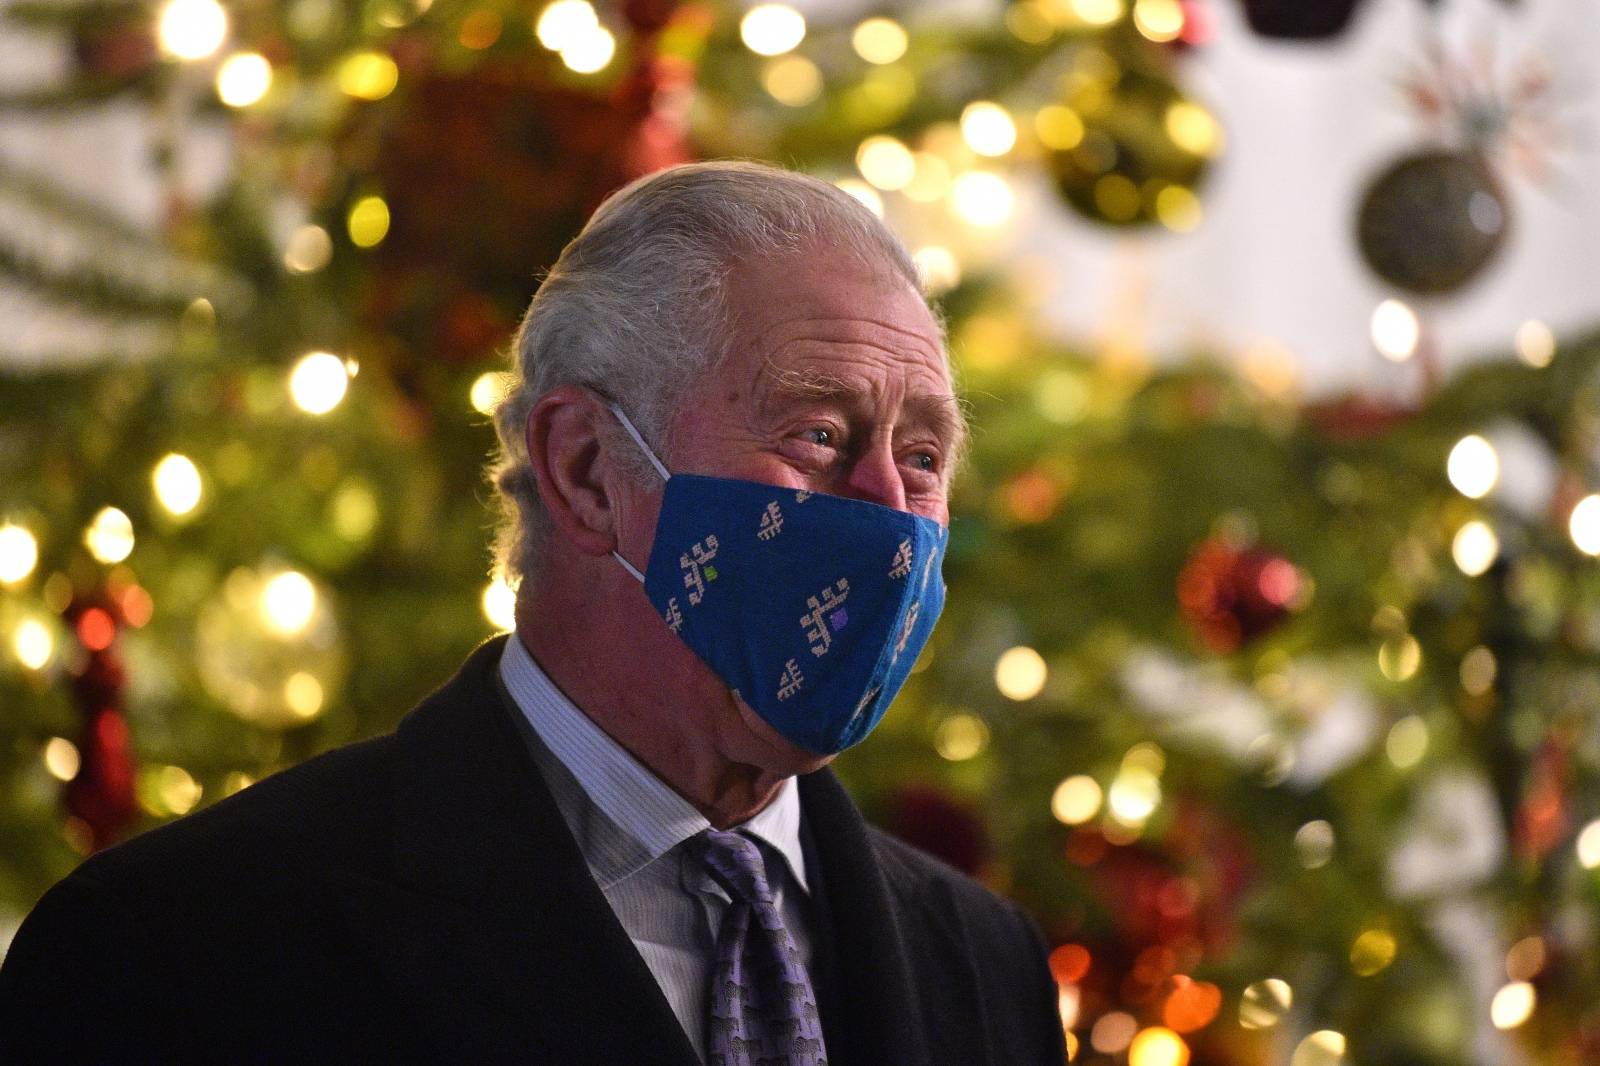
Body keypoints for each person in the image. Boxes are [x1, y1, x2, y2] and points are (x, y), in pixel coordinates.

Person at [0, 160, 1066, 1065]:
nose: (891, 513)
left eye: (922, 457)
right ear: (588, 470)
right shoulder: (182, 947)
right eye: (821, 435)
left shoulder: (987, 965)